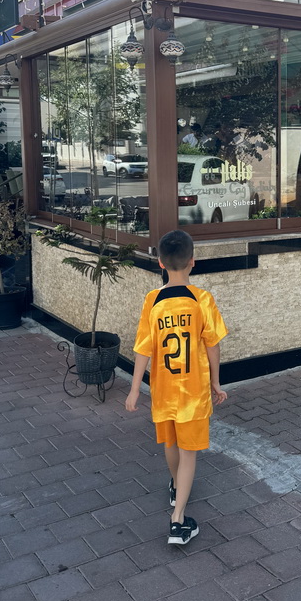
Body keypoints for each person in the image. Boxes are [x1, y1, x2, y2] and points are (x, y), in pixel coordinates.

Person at [125, 230, 228, 545]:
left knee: (170, 444)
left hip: (163, 391)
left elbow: (143, 347)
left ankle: (174, 486)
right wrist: (215, 382)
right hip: (193, 392)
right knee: (189, 452)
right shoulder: (202, 300)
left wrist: (133, 389)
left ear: (160, 263)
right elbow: (212, 346)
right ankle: (178, 519)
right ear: (193, 262)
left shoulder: (152, 301)